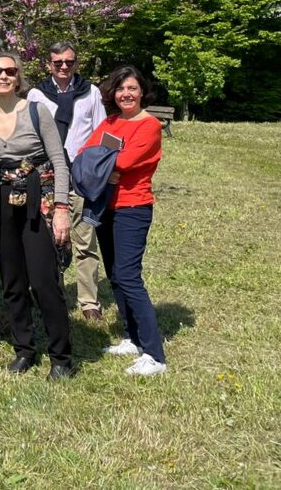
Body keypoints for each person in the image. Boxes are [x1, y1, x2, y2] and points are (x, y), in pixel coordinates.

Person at [0, 51, 75, 379]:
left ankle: (61, 358)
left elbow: (59, 161)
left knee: (45, 283)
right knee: (13, 282)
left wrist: (61, 210)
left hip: (37, 202)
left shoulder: (37, 111)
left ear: (18, 76)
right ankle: (24, 349)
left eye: (10, 71)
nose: (3, 76)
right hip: (0, 204)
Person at [80, 65, 167, 377]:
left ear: (142, 91)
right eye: (120, 89)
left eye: (132, 88)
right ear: (113, 94)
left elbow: (124, 162)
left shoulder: (149, 126)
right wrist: (106, 166)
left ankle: (155, 355)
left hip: (133, 207)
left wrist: (105, 164)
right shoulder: (112, 121)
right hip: (106, 205)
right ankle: (131, 337)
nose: (126, 94)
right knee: (116, 275)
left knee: (130, 277)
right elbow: (85, 154)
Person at [27, 41, 109, 322]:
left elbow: (102, 133)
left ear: (76, 63)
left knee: (85, 243)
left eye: (69, 62)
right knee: (49, 242)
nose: (64, 67)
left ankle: (89, 302)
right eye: (58, 62)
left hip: (83, 177)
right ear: (49, 64)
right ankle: (53, 294)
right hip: (49, 176)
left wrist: (101, 169)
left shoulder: (91, 92)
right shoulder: (37, 94)